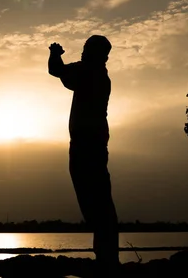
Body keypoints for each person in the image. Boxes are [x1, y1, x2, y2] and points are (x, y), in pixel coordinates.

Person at [48, 35, 119, 275]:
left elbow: (59, 73)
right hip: (84, 145)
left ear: (100, 55)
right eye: (85, 47)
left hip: (91, 146)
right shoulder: (88, 70)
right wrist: (55, 54)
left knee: (97, 203)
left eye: (88, 49)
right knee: (93, 203)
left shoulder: (94, 74)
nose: (83, 51)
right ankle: (106, 258)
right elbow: (56, 70)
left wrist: (57, 58)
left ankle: (107, 260)